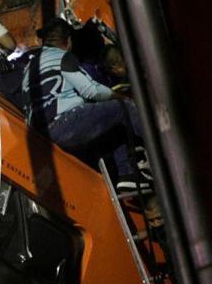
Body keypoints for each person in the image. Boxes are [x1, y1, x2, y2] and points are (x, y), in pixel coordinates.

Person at [21, 19, 151, 193]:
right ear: (68, 41)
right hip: (65, 122)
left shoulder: (29, 68)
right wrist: (120, 97)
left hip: (43, 137)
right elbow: (91, 90)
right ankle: (160, 152)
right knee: (124, 107)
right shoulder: (63, 57)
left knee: (111, 125)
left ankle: (128, 177)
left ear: (43, 42)